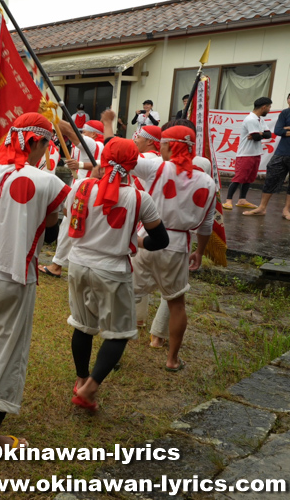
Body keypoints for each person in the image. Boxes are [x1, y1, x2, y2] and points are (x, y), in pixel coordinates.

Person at [0, 114, 70, 449]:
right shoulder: (47, 181)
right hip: (15, 274)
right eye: (46, 145)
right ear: (35, 142)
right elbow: (51, 233)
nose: (44, 153)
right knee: (9, 352)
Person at [66, 138, 167, 410]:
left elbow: (70, 217)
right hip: (112, 269)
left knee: (83, 325)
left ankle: (81, 379)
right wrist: (136, 242)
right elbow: (160, 239)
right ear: (133, 164)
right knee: (119, 333)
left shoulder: (81, 186)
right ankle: (89, 388)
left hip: (77, 263)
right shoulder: (138, 196)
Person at [129, 125, 216, 371]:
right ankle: (172, 360)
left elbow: (122, 156)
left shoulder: (156, 167)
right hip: (177, 246)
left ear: (167, 146)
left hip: (145, 240)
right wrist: (199, 251)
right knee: (176, 303)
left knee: (127, 295)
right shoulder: (208, 182)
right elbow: (206, 225)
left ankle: (114, 349)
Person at [39, 119, 104, 278]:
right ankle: (64, 263)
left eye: (85, 132)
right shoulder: (103, 147)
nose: (82, 135)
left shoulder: (92, 143)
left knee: (68, 225)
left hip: (84, 190)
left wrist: (52, 115)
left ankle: (56, 265)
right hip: (90, 190)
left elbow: (68, 130)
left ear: (93, 134)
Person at [243, 93, 290, 219]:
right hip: (281, 152)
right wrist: (285, 129)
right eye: (289, 98)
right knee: (271, 178)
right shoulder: (285, 113)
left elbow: (280, 131)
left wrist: (287, 129)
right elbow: (278, 131)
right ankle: (262, 207)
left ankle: (287, 209)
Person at [223, 97, 273, 210]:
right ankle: (228, 201)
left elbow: (268, 135)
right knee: (239, 178)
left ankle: (242, 200)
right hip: (245, 154)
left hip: (256, 153)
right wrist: (260, 134)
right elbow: (256, 137)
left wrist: (259, 134)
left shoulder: (260, 119)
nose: (269, 110)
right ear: (264, 107)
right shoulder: (251, 119)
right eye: (269, 107)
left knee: (249, 178)